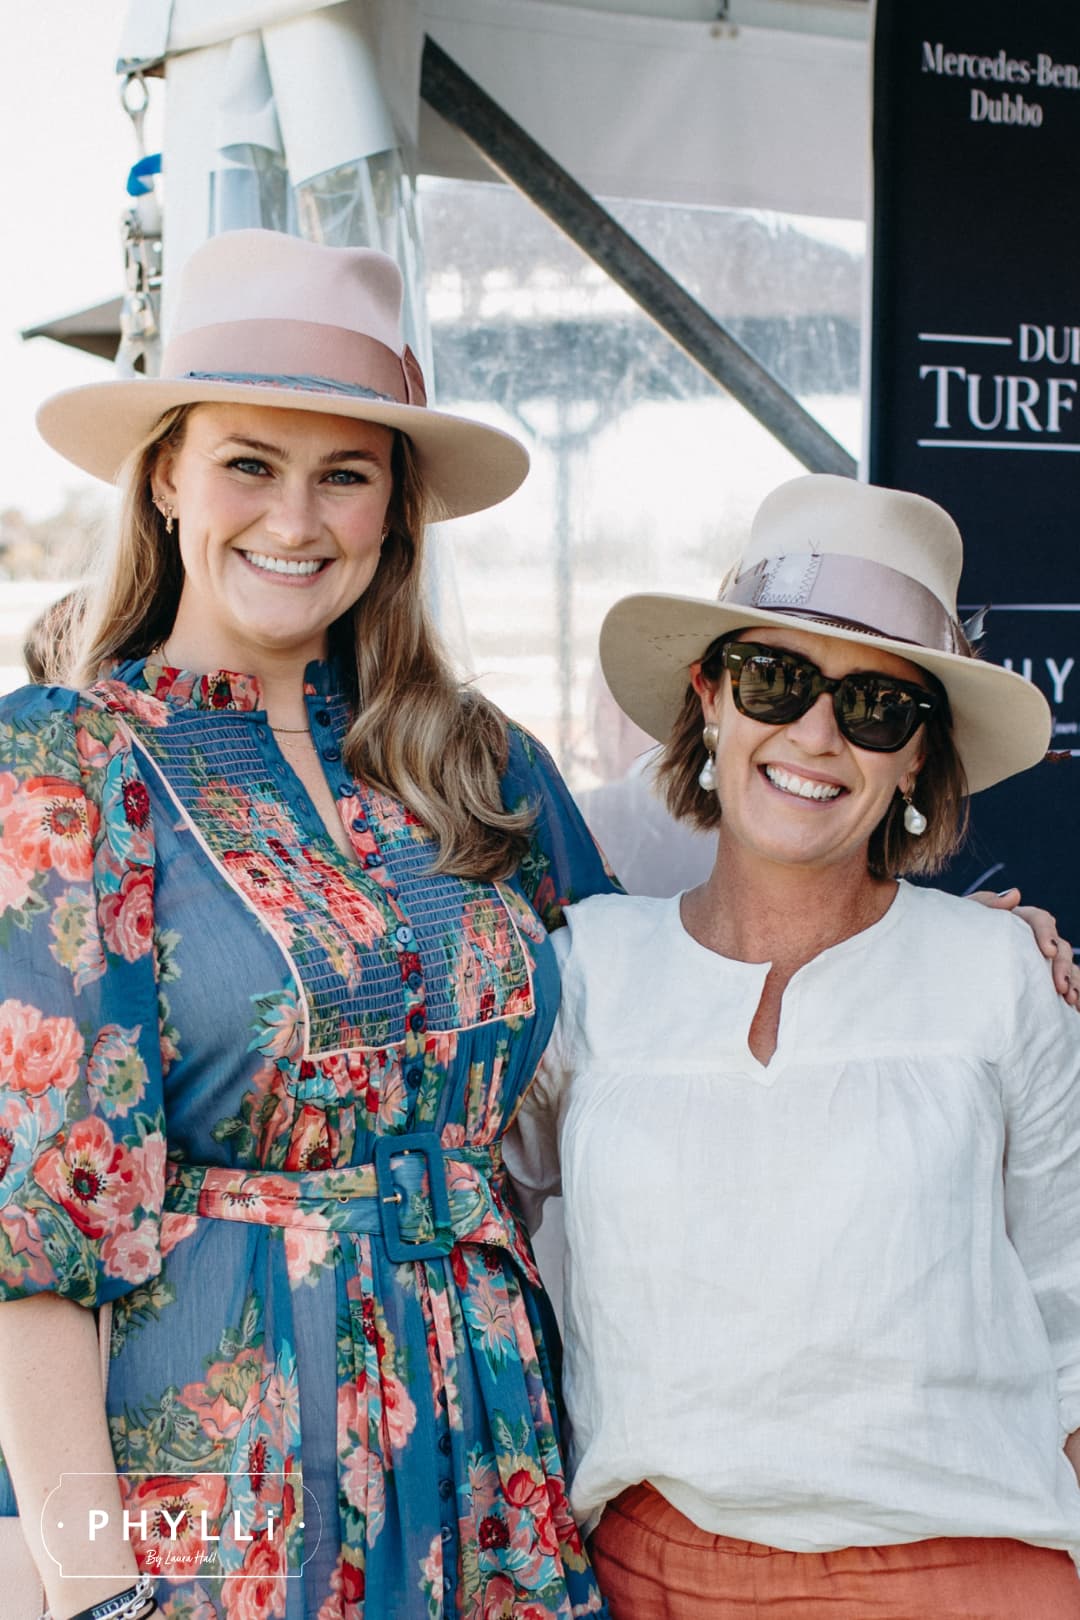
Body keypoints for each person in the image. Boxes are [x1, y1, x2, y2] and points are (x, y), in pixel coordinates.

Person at [0, 229, 616, 1620]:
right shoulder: (73, 768)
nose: (296, 519)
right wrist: (96, 1592)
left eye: (345, 474)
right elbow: (35, 1256)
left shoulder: (476, 761)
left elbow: (660, 1012)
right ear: (165, 476)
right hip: (221, 1486)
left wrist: (952, 944)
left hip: (494, 1449)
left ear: (395, 508)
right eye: (250, 464)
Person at [506, 474, 1080, 1620]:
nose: (816, 734)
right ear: (708, 700)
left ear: (918, 757)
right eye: (777, 680)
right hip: (650, 1574)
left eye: (876, 707)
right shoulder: (586, 971)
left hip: (968, 1574)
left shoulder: (1002, 975)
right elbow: (471, 1223)